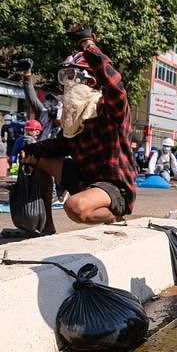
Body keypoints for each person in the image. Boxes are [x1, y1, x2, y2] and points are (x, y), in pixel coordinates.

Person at [19, 23, 137, 232]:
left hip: (114, 187)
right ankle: (47, 229)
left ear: (91, 80)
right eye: (66, 77)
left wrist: (88, 45)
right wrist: (31, 150)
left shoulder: (107, 109)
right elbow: (62, 145)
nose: (68, 84)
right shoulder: (73, 118)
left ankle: (116, 216)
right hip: (85, 179)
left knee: (74, 207)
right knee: (40, 159)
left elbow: (116, 88)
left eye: (73, 76)